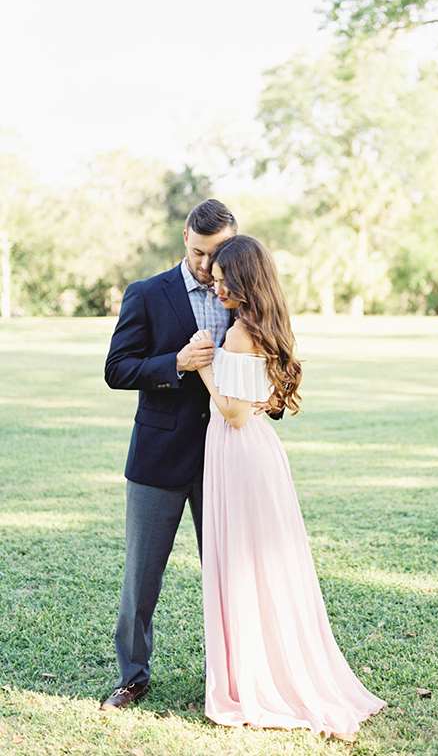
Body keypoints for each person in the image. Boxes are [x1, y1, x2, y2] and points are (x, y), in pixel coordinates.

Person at [192, 234, 386, 742]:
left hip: (239, 451)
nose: (214, 290)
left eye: (220, 283)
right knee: (263, 564)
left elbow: (232, 414)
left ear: (242, 283)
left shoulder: (237, 336)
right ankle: (264, 665)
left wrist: (204, 368)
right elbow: (256, 404)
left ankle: (256, 679)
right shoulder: (268, 326)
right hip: (260, 451)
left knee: (244, 563)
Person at [100, 199, 278, 711]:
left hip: (227, 461)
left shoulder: (242, 297)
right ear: (184, 238)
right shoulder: (146, 294)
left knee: (229, 573)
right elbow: (117, 369)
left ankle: (227, 675)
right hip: (158, 458)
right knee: (142, 577)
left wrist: (270, 401)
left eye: (217, 253)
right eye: (199, 252)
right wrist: (174, 362)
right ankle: (133, 675)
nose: (206, 265)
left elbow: (263, 362)